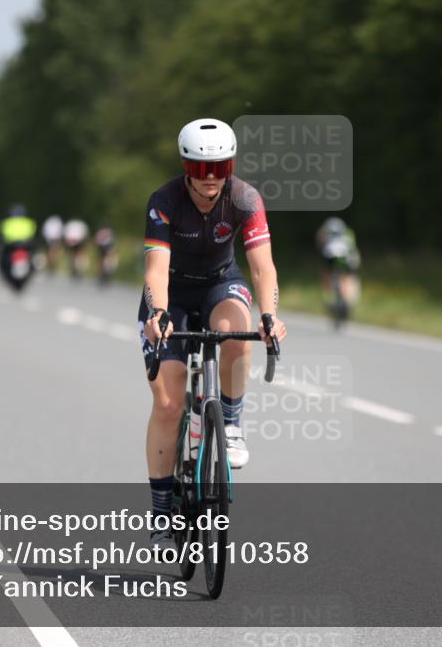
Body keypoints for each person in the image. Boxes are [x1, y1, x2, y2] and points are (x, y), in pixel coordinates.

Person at [139, 118, 287, 551]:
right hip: (173, 292)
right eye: (201, 170)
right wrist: (160, 312)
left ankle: (233, 422)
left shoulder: (244, 198)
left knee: (237, 332)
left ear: (231, 166)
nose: (210, 180)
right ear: (186, 167)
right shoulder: (164, 201)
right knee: (168, 403)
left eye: (220, 168)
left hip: (222, 282)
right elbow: (155, 269)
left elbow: (262, 266)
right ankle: (163, 512)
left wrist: (269, 314)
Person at [315, 216, 361, 316]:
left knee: (326, 274)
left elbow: (320, 245)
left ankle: (328, 297)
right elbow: (353, 248)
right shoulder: (349, 233)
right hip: (346, 257)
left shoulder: (324, 232)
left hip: (329, 256)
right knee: (349, 277)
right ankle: (348, 301)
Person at [0, 205, 37, 284]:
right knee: (34, 262)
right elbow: (33, 237)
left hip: (11, 248)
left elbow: (0, 237)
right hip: (25, 247)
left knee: (2, 263)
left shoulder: (6, 223)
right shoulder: (30, 223)